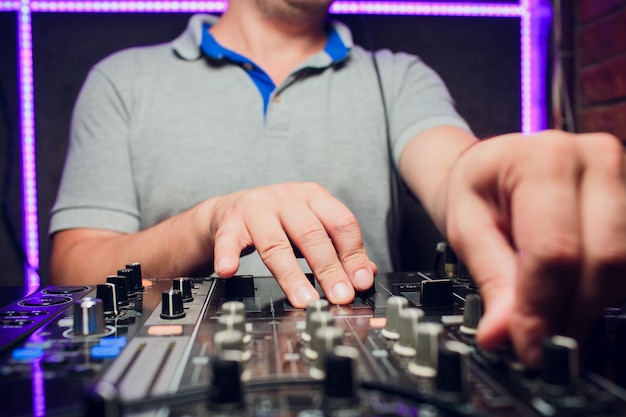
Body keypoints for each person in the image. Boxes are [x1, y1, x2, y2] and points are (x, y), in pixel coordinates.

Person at [49, 0, 626, 368]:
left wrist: (495, 173)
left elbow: (457, 173)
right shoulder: (123, 79)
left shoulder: (399, 76)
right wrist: (208, 221)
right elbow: (73, 269)